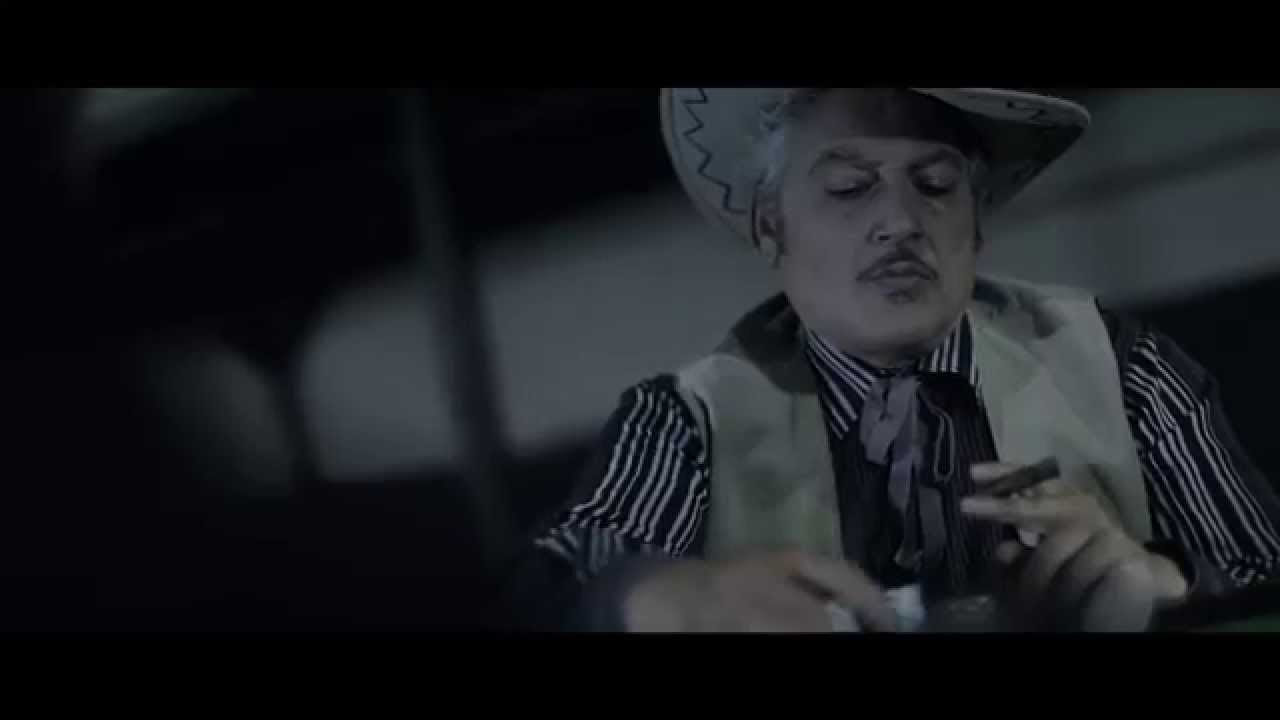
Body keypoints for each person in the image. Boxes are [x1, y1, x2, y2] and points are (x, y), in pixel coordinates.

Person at [508, 88, 1280, 632]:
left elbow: (1260, 566)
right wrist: (663, 600)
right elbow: (553, 585)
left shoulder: (1125, 366)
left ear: (977, 223)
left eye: (935, 184)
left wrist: (1169, 587)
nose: (901, 221)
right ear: (773, 227)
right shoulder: (685, 419)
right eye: (850, 188)